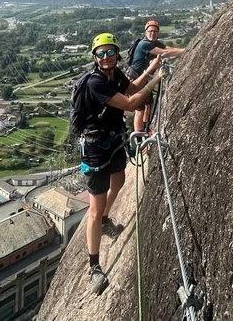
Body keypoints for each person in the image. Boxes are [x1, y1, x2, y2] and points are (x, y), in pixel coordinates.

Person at [81, 32, 168, 295]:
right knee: (94, 210)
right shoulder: (96, 83)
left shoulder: (116, 75)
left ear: (117, 54)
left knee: (118, 181)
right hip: (95, 149)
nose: (106, 57)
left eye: (110, 52)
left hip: (113, 141)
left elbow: (131, 87)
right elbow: (131, 103)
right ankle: (93, 266)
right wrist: (157, 80)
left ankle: (106, 219)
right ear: (95, 57)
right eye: (101, 53)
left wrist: (152, 68)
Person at [127, 19, 185, 133]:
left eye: (155, 31)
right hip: (136, 78)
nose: (152, 33)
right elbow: (163, 53)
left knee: (148, 104)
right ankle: (139, 136)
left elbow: (167, 48)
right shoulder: (145, 44)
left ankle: (146, 129)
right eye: (150, 31)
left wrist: (185, 50)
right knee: (140, 108)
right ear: (146, 32)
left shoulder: (154, 42)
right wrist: (185, 51)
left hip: (145, 77)